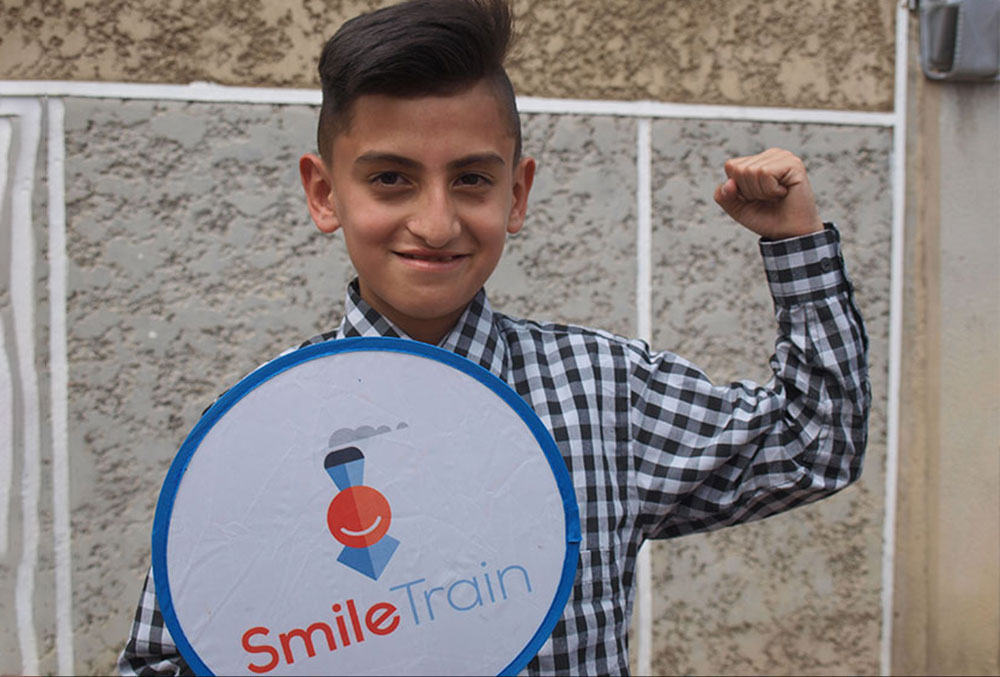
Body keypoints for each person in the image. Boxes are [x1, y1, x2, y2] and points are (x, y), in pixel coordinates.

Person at [118, 0, 870, 674]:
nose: (437, 222)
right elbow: (163, 659)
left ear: (517, 193)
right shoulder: (251, 431)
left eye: (473, 180)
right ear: (324, 193)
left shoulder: (607, 393)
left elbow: (816, 441)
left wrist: (795, 246)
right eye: (390, 179)